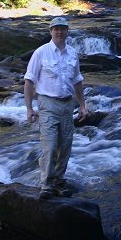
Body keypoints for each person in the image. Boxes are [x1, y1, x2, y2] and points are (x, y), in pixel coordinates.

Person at [24, 16, 87, 199]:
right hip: (47, 104)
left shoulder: (73, 53)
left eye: (63, 29)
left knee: (65, 146)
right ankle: (46, 184)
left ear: (67, 31)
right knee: (50, 146)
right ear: (50, 31)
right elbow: (29, 81)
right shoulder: (41, 52)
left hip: (68, 105)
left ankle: (59, 181)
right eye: (56, 29)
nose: (59, 32)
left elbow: (77, 80)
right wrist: (29, 108)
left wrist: (82, 105)